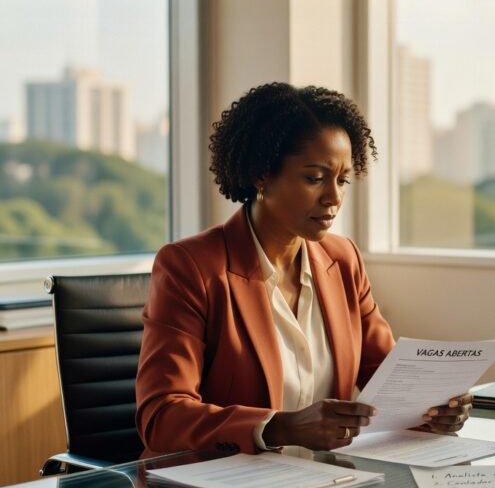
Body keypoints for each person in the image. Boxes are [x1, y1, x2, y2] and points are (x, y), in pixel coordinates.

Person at [136, 83, 472, 458]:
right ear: (261, 174)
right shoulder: (192, 267)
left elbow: (389, 381)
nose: (333, 197)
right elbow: (160, 417)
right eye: (315, 178)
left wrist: (432, 410)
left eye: (342, 179)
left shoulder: (343, 260)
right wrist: (281, 426)